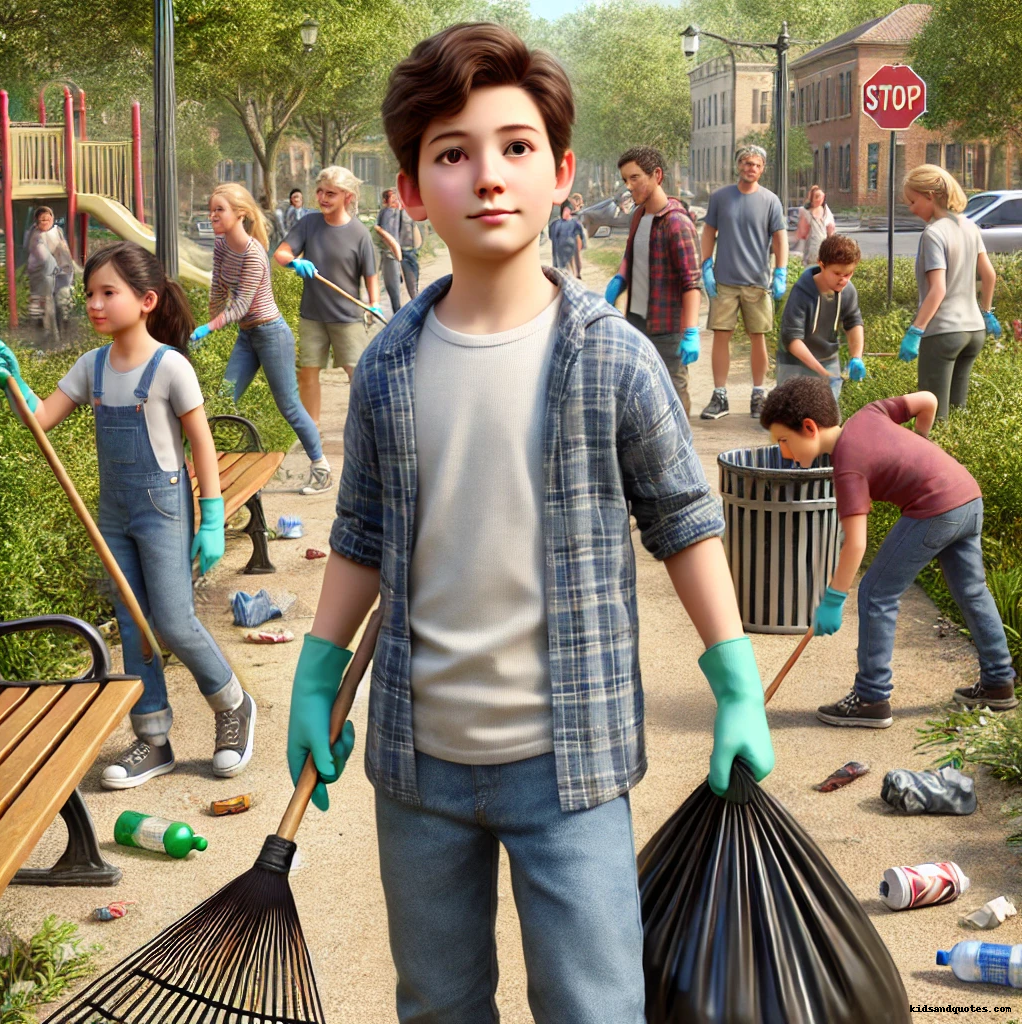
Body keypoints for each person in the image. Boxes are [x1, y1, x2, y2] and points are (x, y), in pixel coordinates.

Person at [285, 23, 774, 1024]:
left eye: (515, 148)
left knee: (594, 1006)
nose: (488, 175)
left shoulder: (615, 360)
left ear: (560, 174)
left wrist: (735, 680)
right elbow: (363, 532)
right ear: (415, 192)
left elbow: (684, 521)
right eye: (452, 153)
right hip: (417, 770)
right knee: (437, 1003)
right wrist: (315, 670)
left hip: (574, 766)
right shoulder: (389, 365)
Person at [0, 241, 256, 787]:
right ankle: (153, 737)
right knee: (135, 623)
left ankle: (233, 706)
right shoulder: (91, 366)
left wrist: (211, 518)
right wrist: (14, 384)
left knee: (172, 620)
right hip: (113, 512)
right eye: (90, 293)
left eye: (107, 293)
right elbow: (41, 420)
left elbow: (202, 444)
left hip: (163, 507)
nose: (94, 303)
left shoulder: (170, 366)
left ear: (145, 300)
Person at [761, 377, 1017, 729]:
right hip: (967, 495)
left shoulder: (847, 466)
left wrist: (833, 600)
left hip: (935, 509)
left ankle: (871, 697)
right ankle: (999, 682)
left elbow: (856, 544)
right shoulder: (870, 413)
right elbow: (928, 398)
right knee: (972, 591)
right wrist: (922, 443)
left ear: (809, 428)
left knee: (876, 593)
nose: (783, 452)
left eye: (784, 441)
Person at [191, 183, 331, 495]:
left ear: (240, 213)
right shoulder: (221, 245)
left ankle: (321, 467)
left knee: (290, 406)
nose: (212, 215)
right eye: (210, 209)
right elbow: (218, 290)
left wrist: (209, 328)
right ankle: (209, 470)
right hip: (247, 336)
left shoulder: (254, 254)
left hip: (271, 335)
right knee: (224, 401)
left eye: (219, 210)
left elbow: (241, 304)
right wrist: (205, 323)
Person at [274, 166, 382, 431]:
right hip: (312, 315)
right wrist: (294, 264)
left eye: (330, 193)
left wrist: (374, 303)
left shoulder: (359, 233)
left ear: (347, 196)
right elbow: (281, 254)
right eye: (320, 191)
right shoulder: (308, 224)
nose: (322, 198)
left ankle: (364, 428)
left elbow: (370, 275)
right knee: (307, 372)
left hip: (348, 318)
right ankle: (312, 429)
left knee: (357, 374)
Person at [898, 164, 1003, 419]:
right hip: (973, 331)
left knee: (934, 417)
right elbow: (989, 275)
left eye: (913, 201)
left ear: (930, 196)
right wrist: (987, 313)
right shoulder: (968, 226)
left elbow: (938, 289)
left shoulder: (933, 233)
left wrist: (915, 331)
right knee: (958, 414)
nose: (911, 209)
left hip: (943, 333)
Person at [604, 145, 701, 418]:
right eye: (625, 179)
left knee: (673, 399)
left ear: (656, 175)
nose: (628, 185)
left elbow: (692, 283)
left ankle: (680, 453)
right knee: (639, 400)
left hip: (668, 330)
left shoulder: (677, 223)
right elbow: (630, 256)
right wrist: (619, 279)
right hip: (636, 323)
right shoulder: (638, 215)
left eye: (634, 177)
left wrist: (691, 332)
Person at [700, 145, 788, 420]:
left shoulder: (771, 200)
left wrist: (780, 271)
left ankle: (758, 394)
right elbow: (708, 233)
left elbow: (779, 237)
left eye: (756, 164)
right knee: (720, 336)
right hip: (725, 281)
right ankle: (720, 396)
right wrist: (706, 265)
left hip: (757, 282)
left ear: (762, 169)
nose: (751, 168)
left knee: (758, 338)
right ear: (738, 165)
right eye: (746, 163)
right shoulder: (720, 198)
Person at [777, 234, 866, 399]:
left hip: (828, 359)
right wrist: (820, 373)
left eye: (848, 274)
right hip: (794, 363)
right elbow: (792, 340)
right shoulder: (801, 292)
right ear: (821, 265)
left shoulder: (848, 290)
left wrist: (857, 357)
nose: (843, 280)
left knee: (828, 418)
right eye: (837, 273)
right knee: (791, 418)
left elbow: (854, 323)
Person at [25, 207, 75, 332]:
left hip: (61, 273)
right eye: (43, 220)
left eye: (48, 219)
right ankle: (44, 332)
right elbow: (42, 256)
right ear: (37, 222)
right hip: (42, 275)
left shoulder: (58, 230)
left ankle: (65, 326)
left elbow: (64, 251)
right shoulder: (36, 235)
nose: (46, 222)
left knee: (62, 300)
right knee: (43, 304)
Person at [374, 187, 422, 312]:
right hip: (393, 254)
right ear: (385, 201)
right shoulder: (388, 213)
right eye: (393, 197)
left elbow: (413, 234)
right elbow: (389, 237)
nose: (396, 200)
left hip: (408, 252)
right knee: (396, 290)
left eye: (397, 197)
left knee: (413, 288)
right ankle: (400, 314)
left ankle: (415, 309)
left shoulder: (404, 212)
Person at [794, 185, 836, 266]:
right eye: (817, 197)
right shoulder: (806, 212)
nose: (819, 199)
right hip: (811, 251)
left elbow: (831, 231)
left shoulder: (826, 212)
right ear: (812, 199)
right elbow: (802, 233)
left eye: (821, 196)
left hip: (824, 251)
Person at [548, 199, 584, 278]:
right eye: (564, 210)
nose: (565, 212)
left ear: (571, 211)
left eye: (567, 210)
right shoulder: (555, 224)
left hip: (570, 251)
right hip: (559, 252)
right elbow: (551, 236)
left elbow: (580, 239)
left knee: (571, 270)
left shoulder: (575, 224)